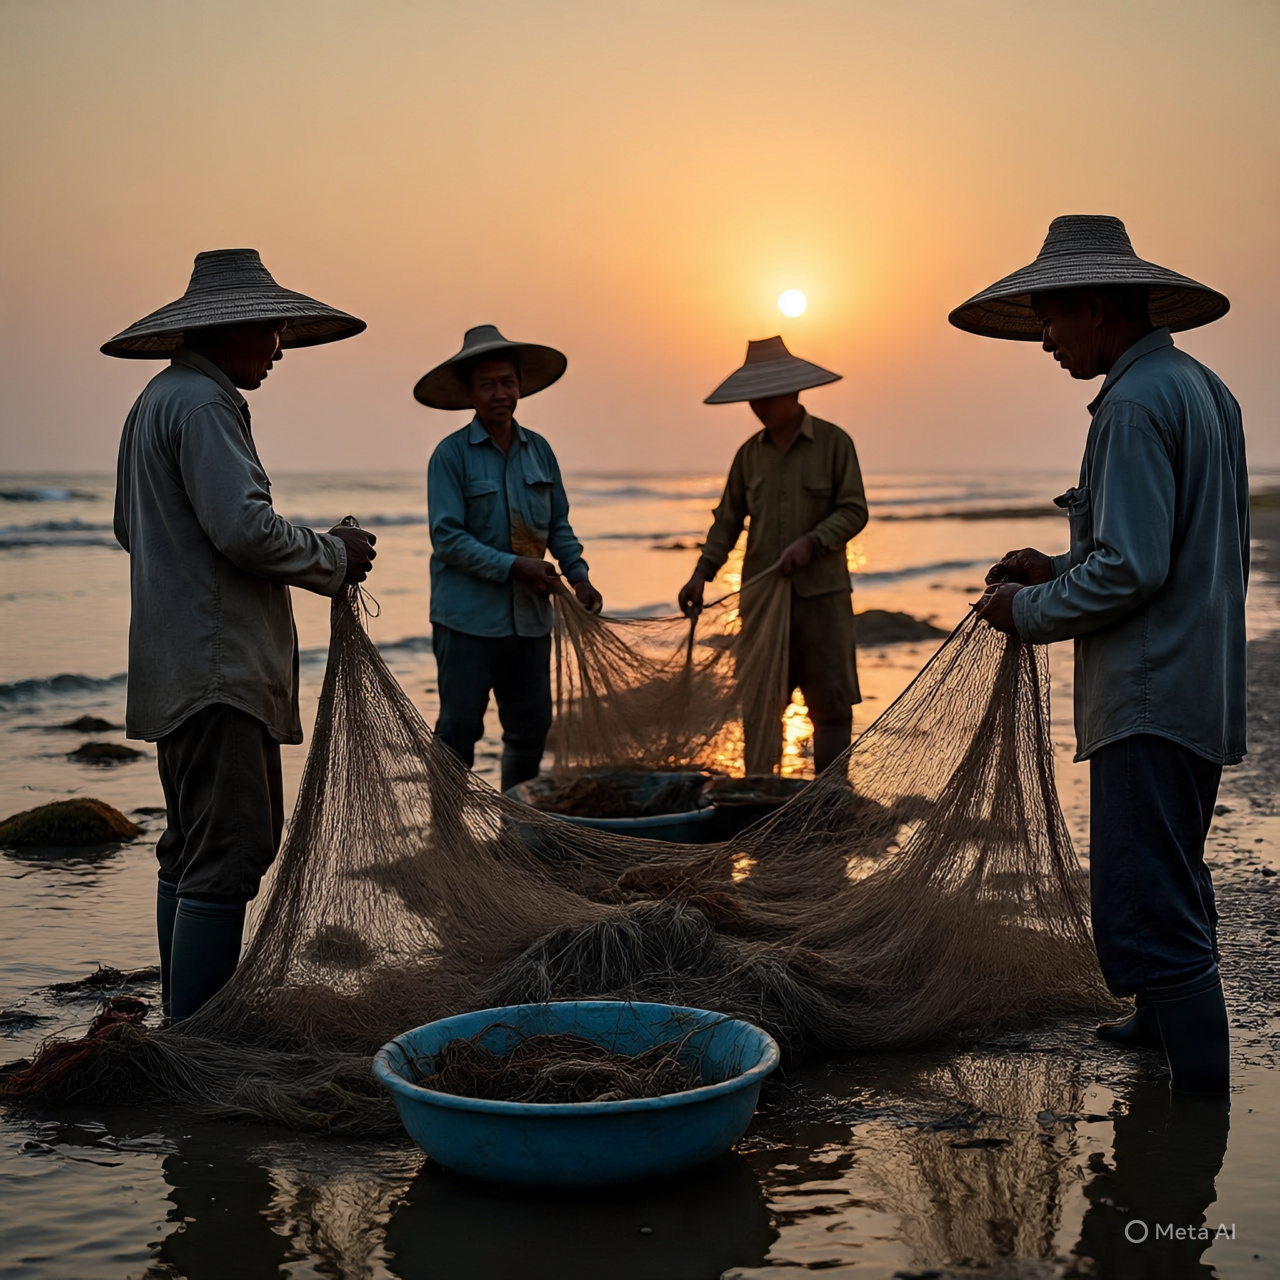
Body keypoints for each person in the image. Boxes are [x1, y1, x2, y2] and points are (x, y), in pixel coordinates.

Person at [952, 214, 1246, 1094]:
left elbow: (1134, 567)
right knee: (1173, 864)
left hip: (1150, 692)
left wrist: (1029, 607)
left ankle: (1199, 1108)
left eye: (1049, 317)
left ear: (1093, 306)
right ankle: (1158, 1022)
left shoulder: (1128, 403)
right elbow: (1158, 540)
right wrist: (1056, 564)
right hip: (1201, 679)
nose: (1043, 338)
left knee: (1150, 890)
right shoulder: (1199, 387)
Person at [108, 248, 377, 1022]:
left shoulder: (159, 401)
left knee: (189, 851)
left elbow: (134, 529)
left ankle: (179, 1021)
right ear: (230, 329)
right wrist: (332, 552)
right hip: (220, 673)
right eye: (271, 329)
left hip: (178, 665)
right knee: (227, 858)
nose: (280, 346)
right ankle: (198, 1042)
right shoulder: (204, 404)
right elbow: (242, 528)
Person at [417, 325, 602, 791]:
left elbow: (558, 526)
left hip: (531, 622)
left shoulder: (539, 451)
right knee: (459, 732)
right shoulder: (450, 456)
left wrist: (579, 577)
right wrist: (514, 566)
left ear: (520, 386)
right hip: (467, 622)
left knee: (530, 730)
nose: (500, 393)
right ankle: (448, 840)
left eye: (507, 382)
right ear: (469, 393)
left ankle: (515, 834)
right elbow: (447, 538)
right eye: (487, 384)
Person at [678, 336, 868, 774]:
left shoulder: (835, 444)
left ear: (794, 391)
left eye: (768, 396)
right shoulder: (749, 456)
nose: (760, 406)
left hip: (822, 600)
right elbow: (726, 522)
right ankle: (760, 801)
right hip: (762, 604)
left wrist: (813, 542)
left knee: (831, 706)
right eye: (754, 399)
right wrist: (700, 575)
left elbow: (854, 510)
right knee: (761, 704)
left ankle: (830, 801)